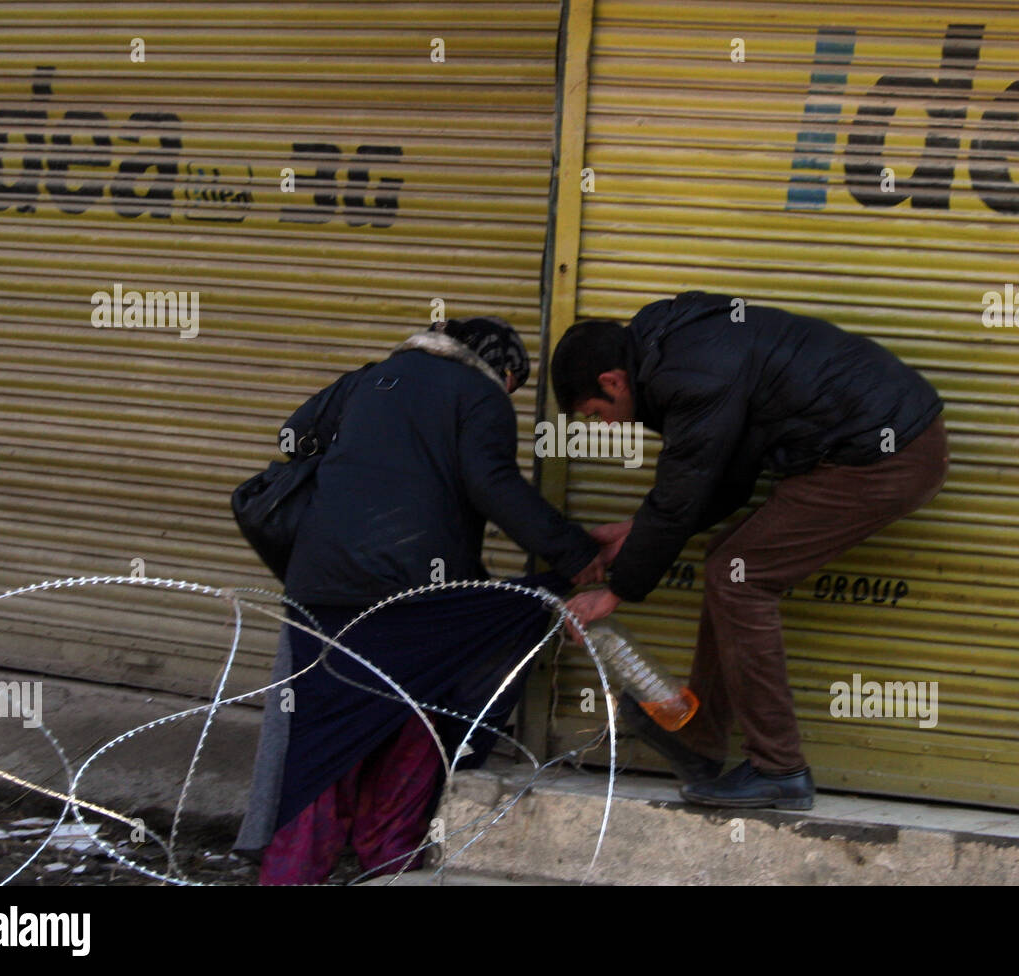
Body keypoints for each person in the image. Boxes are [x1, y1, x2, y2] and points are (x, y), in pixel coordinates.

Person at [234, 316, 608, 883]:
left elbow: (294, 437)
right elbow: (493, 485)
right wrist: (576, 555)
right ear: (503, 371)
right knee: (411, 734)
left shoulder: (367, 380)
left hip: (320, 593)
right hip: (411, 601)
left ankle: (290, 873)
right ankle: (389, 862)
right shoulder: (482, 395)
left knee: (320, 754)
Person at [553, 290, 949, 810]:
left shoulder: (686, 373)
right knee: (731, 561)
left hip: (884, 455)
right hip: (875, 443)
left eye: (595, 412)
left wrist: (618, 590)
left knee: (738, 578)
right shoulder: (674, 350)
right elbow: (721, 477)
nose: (604, 425)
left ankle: (780, 769)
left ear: (612, 381)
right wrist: (639, 529)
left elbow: (687, 482)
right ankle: (700, 740)